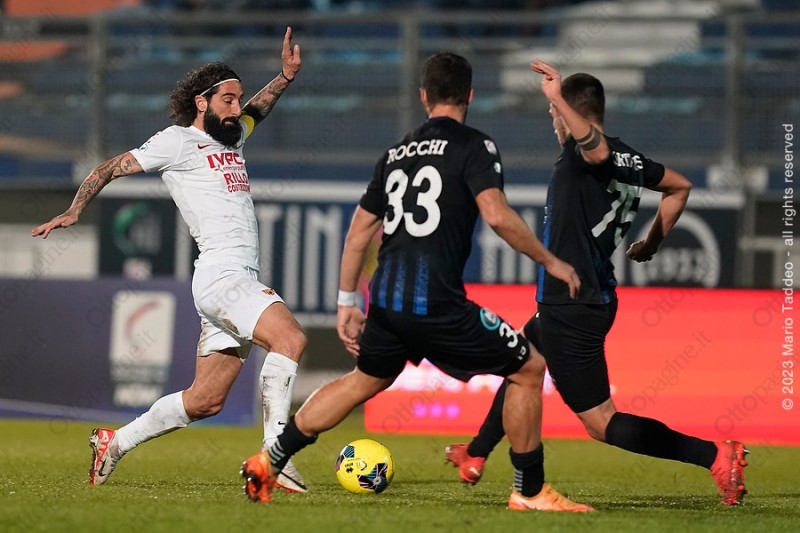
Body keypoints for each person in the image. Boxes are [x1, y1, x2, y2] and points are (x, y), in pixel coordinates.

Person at [240, 52, 593, 513]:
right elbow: (497, 215)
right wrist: (552, 262)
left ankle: (269, 460)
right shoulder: (475, 146)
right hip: (437, 302)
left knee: (362, 381)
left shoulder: (395, 154)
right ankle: (529, 491)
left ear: (424, 96)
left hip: (386, 300)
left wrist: (346, 302)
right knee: (528, 368)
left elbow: (359, 232)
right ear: (470, 95)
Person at [444, 59, 749, 507]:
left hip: (573, 302)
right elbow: (680, 187)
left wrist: (556, 98)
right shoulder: (630, 158)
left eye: (555, 115)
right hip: (588, 296)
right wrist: (651, 242)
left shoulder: (586, 152)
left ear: (570, 111)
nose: (554, 124)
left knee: (601, 422)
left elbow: (597, 151)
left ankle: (716, 456)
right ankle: (476, 452)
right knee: (523, 359)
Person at [32, 27, 310, 494]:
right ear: (202, 102)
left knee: (205, 401)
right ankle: (274, 456)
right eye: (227, 99)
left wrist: (284, 77)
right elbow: (109, 167)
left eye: (237, 99)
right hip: (222, 275)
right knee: (291, 338)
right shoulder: (177, 141)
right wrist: (76, 208)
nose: (236, 108)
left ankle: (115, 442)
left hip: (234, 277)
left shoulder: (232, 138)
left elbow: (258, 109)